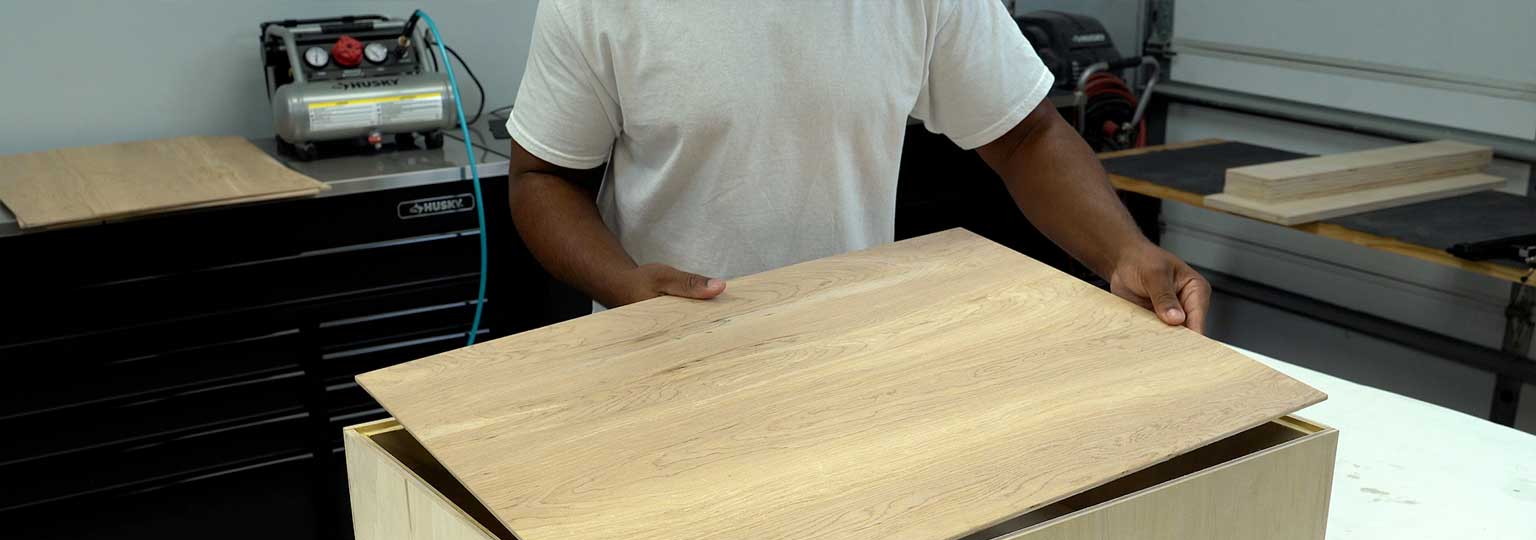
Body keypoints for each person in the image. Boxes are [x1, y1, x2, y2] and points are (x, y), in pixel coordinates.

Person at [504, 0, 1209, 332]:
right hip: (666, 362)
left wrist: (1125, 251)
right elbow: (545, 178)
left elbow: (1026, 136)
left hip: (853, 355)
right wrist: (625, 288)